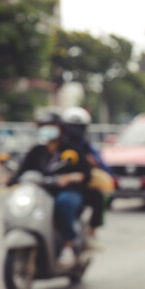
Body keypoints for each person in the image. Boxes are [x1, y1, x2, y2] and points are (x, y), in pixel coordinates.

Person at [8, 109, 91, 267]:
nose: (47, 129)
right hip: (42, 193)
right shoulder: (37, 151)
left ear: (60, 129)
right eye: (44, 126)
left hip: (67, 192)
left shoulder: (70, 149)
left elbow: (85, 174)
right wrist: (12, 178)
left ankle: (68, 246)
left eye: (51, 126)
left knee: (63, 203)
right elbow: (23, 170)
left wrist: (69, 177)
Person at [60, 107, 110, 249]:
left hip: (77, 187)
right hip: (54, 185)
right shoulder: (56, 145)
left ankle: (89, 235)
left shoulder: (85, 148)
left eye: (78, 127)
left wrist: (94, 163)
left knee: (98, 196)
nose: (74, 130)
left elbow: (96, 169)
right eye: (71, 126)